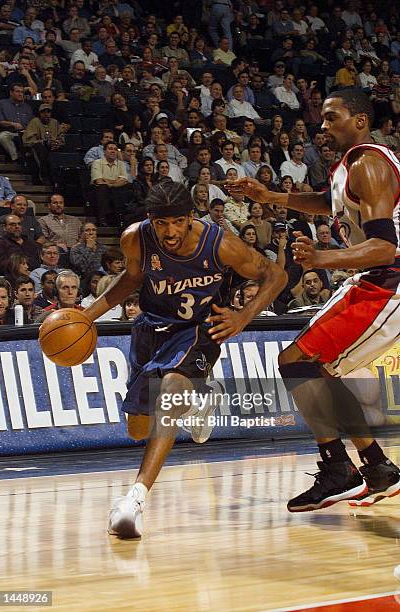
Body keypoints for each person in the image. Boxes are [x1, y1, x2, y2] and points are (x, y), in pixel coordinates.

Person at [81, 181, 286, 538]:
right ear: (150, 220)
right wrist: (88, 315)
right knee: (137, 430)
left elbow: (276, 275)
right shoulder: (135, 239)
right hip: (150, 329)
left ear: (191, 218)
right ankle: (200, 402)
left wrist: (243, 317)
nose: (170, 231)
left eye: (178, 222)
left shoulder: (221, 243)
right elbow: (131, 279)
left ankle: (135, 499)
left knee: (172, 385)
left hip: (196, 329)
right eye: (162, 224)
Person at [228, 88, 400, 512]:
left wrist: (323, 257)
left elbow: (384, 246)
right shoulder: (351, 165)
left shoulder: (371, 164)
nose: (322, 126)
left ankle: (340, 468)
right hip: (371, 279)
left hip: (389, 280)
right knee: (313, 367)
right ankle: (376, 469)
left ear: (360, 120)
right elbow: (329, 204)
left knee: (301, 364)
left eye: (332, 117)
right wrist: (270, 198)